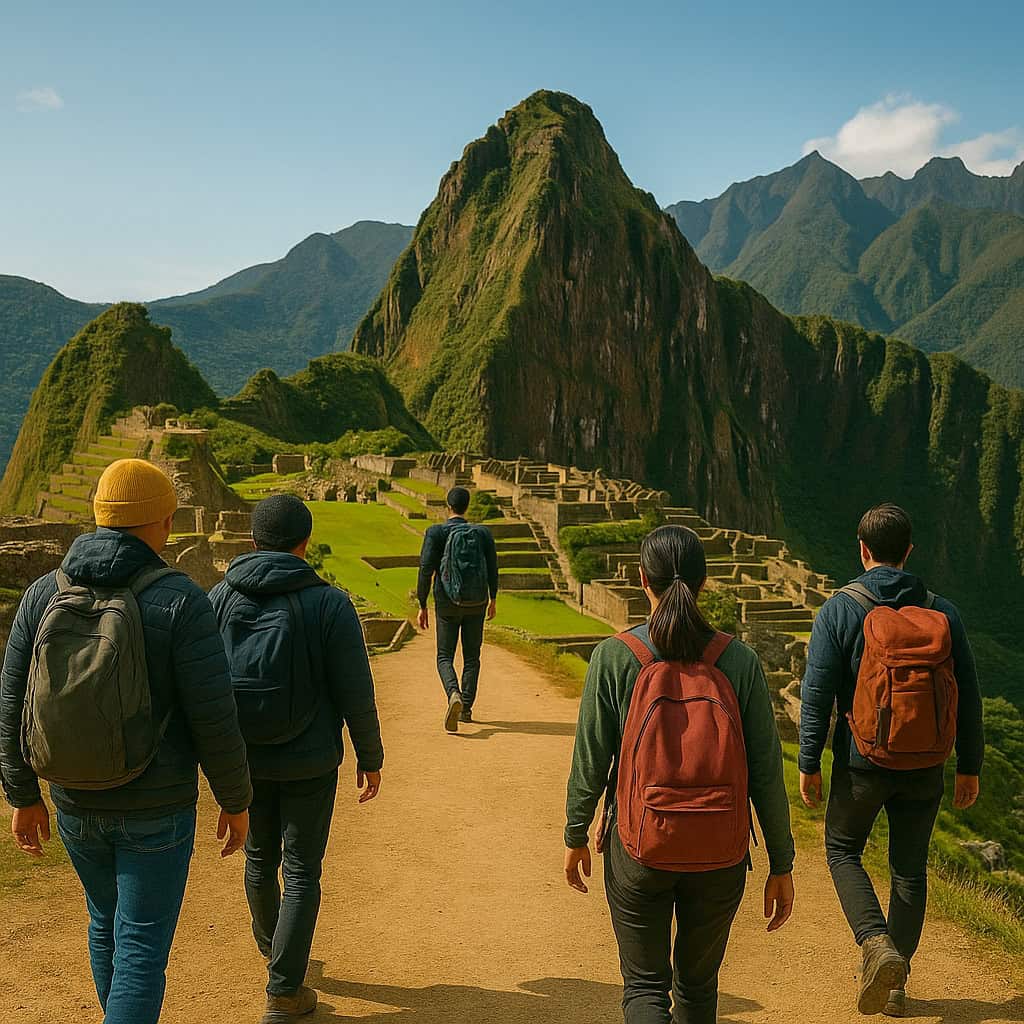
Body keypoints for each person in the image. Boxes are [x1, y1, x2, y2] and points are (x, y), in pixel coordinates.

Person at [0, 458, 251, 1024]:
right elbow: (215, 715)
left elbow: (12, 699)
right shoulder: (181, 600)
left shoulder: (44, 594)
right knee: (140, 946)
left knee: (103, 923)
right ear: (162, 521)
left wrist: (22, 794)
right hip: (155, 806)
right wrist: (235, 800)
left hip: (72, 798)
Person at [564, 524, 795, 1024]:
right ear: (705, 581)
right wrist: (781, 862)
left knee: (645, 987)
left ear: (640, 579)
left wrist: (575, 833)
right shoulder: (738, 661)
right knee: (697, 987)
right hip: (720, 853)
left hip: (639, 845)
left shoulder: (614, 658)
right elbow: (766, 774)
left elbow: (590, 759)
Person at [799, 503, 984, 1018]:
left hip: (861, 764)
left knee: (841, 849)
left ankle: (875, 944)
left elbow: (817, 696)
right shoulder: (943, 612)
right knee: (909, 869)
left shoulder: (839, 610)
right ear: (909, 551)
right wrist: (970, 766)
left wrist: (808, 761)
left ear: (862, 550)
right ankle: (897, 986)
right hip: (925, 766)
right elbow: (967, 695)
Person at [209, 494, 384, 1023]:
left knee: (259, 859)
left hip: (244, 757)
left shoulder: (218, 597)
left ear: (252, 540)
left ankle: (276, 955)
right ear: (304, 542)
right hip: (309, 758)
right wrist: (369, 754)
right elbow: (355, 687)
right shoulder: (328, 603)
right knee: (303, 869)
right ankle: (284, 987)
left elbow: (200, 686)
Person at [416, 486, 498, 732]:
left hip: (447, 603)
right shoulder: (482, 533)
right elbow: (493, 568)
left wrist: (422, 604)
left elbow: (425, 570)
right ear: (467, 506)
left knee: (444, 656)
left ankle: (454, 693)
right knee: (472, 657)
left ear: (447, 506)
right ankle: (467, 709)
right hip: (477, 602)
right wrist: (493, 598)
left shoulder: (436, 533)